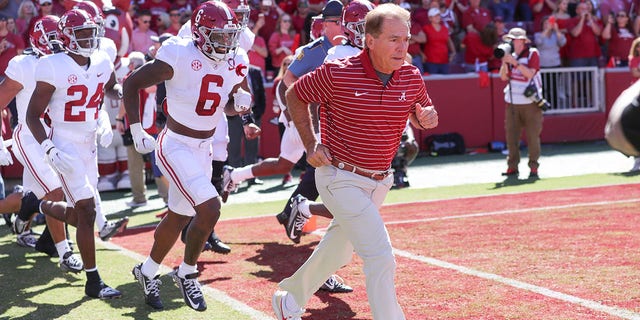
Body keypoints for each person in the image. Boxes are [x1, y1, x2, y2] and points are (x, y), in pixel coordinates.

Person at [273, 4, 439, 319]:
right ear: (370, 40)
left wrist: (426, 118)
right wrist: (311, 144)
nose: (402, 47)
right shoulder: (338, 71)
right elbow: (295, 94)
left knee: (338, 250)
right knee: (380, 256)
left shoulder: (411, 74)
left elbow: (423, 114)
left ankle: (289, 297)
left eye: (405, 40)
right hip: (339, 176)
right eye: (393, 39)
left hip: (380, 180)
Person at [124, 1, 249, 311]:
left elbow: (223, 106)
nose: (226, 42)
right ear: (200, 34)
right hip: (176, 143)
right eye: (218, 36)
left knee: (179, 215)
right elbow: (131, 83)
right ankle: (188, 272)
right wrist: (137, 128)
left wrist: (240, 107)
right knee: (210, 208)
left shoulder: (235, 59)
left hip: (203, 148)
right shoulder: (179, 53)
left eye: (229, 36)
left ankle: (147, 271)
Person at [25, 8, 122, 299]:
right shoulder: (52, 65)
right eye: (82, 33)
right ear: (67, 37)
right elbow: (32, 115)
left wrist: (106, 113)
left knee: (83, 215)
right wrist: (48, 147)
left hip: (89, 142)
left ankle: (36, 205)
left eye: (92, 32)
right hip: (65, 142)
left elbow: (110, 85)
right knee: (88, 210)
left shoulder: (103, 57)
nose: (89, 38)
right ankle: (93, 281)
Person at [498, 27, 543, 178]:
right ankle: (512, 166)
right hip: (512, 102)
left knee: (532, 137)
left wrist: (515, 63)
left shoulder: (532, 53)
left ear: (523, 41)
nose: (512, 42)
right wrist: (505, 62)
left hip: (530, 102)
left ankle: (533, 167)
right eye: (510, 39)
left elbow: (530, 74)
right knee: (511, 137)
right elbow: (503, 77)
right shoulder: (510, 55)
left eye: (515, 39)